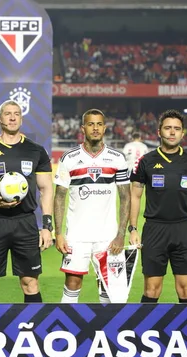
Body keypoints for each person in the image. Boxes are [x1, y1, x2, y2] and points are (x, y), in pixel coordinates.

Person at [0, 100, 54, 303]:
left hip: (25, 222)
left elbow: (46, 188)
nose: (13, 117)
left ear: (21, 119)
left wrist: (47, 226)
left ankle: (32, 331)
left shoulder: (36, 151)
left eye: (16, 114)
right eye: (8, 114)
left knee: (30, 282)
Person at [129, 109, 187, 304]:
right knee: (151, 289)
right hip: (155, 229)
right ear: (159, 132)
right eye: (168, 128)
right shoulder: (146, 161)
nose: (172, 132)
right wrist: (133, 229)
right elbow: (135, 196)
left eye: (177, 129)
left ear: (183, 133)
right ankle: (145, 331)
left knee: (186, 289)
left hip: (184, 229)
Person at [54, 109, 131, 303]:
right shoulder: (69, 158)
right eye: (90, 124)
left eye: (99, 124)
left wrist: (121, 234)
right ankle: (66, 329)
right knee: (72, 283)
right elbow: (59, 197)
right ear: (83, 128)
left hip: (108, 236)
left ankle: (106, 331)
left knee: (108, 287)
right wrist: (59, 233)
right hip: (76, 236)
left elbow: (126, 197)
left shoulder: (117, 158)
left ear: (104, 128)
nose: (95, 128)